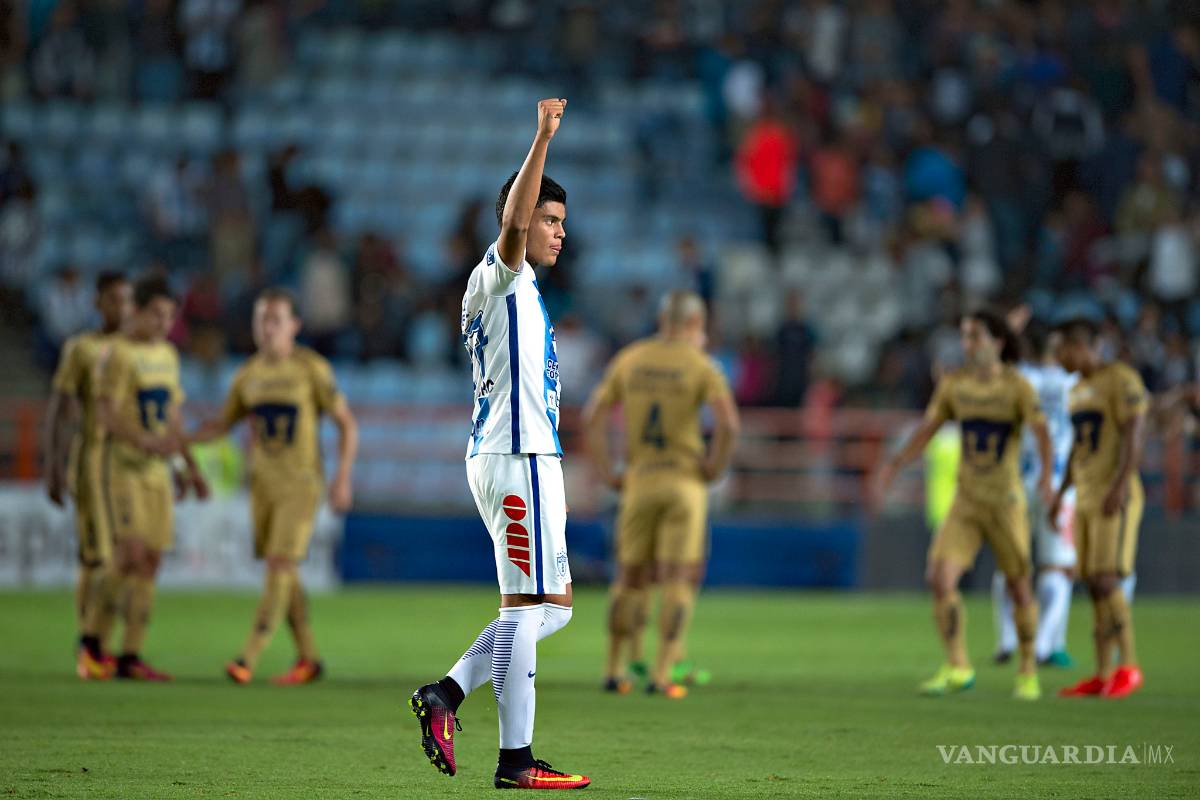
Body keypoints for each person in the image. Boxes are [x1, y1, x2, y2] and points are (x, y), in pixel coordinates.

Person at [409, 99, 589, 791]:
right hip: (515, 458)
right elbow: (513, 222)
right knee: (525, 608)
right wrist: (540, 138)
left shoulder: (526, 289)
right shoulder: (500, 272)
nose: (556, 231)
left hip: (527, 457)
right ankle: (517, 760)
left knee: (555, 607)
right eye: (549, 218)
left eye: (562, 222)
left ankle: (446, 696)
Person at [873, 309, 1054, 701]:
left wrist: (1045, 477)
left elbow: (1042, 434)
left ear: (998, 342)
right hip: (967, 499)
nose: (967, 344)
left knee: (1020, 586)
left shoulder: (1018, 387)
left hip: (1005, 500)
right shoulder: (955, 386)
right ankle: (958, 665)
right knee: (939, 578)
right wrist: (896, 464)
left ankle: (1027, 669)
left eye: (974, 336)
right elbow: (928, 429)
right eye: (965, 336)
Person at [188, 288, 358, 685]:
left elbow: (346, 423)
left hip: (301, 484)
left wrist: (342, 478)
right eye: (261, 319)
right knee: (285, 571)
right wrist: (183, 439)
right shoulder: (247, 375)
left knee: (280, 564)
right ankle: (308, 659)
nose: (267, 328)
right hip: (262, 485)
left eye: (276, 320)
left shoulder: (311, 369)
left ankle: (247, 657)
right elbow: (222, 424)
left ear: (294, 326)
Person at [582, 290, 739, 698]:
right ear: (693, 324)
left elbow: (592, 418)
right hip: (684, 482)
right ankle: (662, 672)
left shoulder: (630, 360)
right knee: (679, 579)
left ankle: (614, 669)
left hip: (639, 481)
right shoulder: (701, 366)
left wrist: (607, 471)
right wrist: (714, 468)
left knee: (629, 578)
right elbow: (729, 425)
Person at [93, 276, 208, 681]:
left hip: (159, 471)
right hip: (124, 467)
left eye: (170, 315)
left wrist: (189, 467)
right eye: (156, 313)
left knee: (152, 561)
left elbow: (173, 418)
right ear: (137, 311)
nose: (163, 322)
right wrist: (142, 439)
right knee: (130, 554)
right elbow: (105, 413)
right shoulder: (118, 354)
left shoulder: (168, 357)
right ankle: (92, 643)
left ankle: (130, 655)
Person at [1053, 318, 1148, 699]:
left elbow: (1135, 429)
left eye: (1062, 349)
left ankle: (1129, 665)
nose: (1058, 356)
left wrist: (1122, 483)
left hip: (1114, 493)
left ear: (1080, 345)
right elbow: (1079, 446)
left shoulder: (1120, 378)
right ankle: (1103, 672)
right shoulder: (1075, 389)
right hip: (1087, 494)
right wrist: (1062, 493)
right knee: (1093, 583)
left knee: (1108, 579)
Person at [45, 271, 133, 679]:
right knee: (96, 557)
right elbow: (59, 408)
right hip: (93, 459)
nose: (122, 308)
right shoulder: (81, 348)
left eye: (128, 301)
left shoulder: (137, 350)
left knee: (124, 559)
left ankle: (103, 643)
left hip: (129, 465)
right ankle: (88, 645)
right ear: (98, 303)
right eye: (114, 300)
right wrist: (53, 464)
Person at [992, 320, 1078, 668]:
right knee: (1058, 568)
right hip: (1058, 485)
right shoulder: (1075, 382)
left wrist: (1008, 328)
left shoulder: (1017, 379)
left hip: (1016, 482)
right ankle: (1045, 645)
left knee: (1010, 561)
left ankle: (1007, 638)